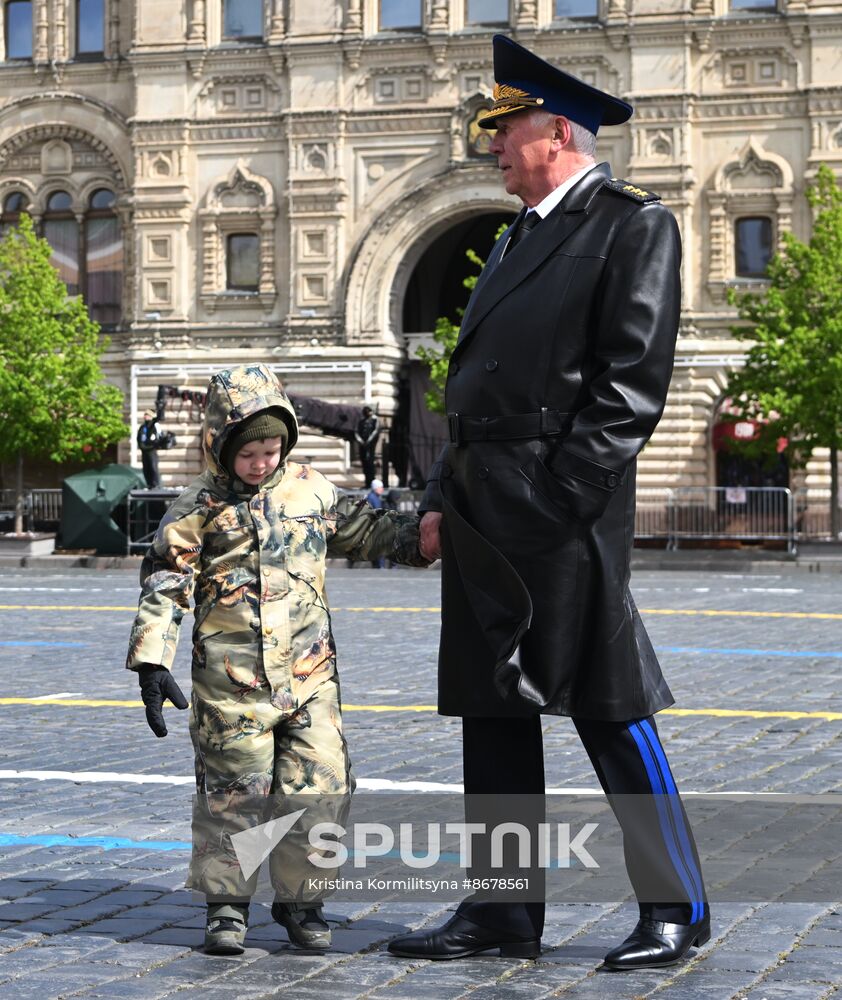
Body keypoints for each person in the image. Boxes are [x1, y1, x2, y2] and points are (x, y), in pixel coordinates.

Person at [387, 34, 709, 971]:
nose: (491, 148)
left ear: (558, 131)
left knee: (610, 706)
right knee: (492, 717)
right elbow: (472, 388)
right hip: (486, 502)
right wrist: (444, 494)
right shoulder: (515, 235)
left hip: (560, 510)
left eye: (504, 131)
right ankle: (501, 913)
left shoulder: (629, 224)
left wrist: (563, 495)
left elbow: (630, 385)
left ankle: (675, 906)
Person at [125, 364, 427, 956]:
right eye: (250, 453)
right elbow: (166, 579)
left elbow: (368, 530)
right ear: (221, 445)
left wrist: (424, 537)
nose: (262, 462)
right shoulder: (199, 506)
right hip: (231, 686)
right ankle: (228, 908)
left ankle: (302, 901)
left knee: (319, 786)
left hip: (311, 678)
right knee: (235, 795)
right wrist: (151, 660)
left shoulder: (311, 490)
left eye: (272, 449)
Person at [355, 405, 380, 488]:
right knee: (365, 463)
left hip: (370, 446)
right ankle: (367, 482)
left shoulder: (375, 420)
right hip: (363, 445)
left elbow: (375, 431)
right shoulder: (361, 421)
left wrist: (369, 440)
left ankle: (372, 482)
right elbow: (356, 432)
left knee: (370, 463)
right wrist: (361, 441)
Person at [136, 410, 161, 488]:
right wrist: (141, 445)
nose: (145, 416)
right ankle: (149, 484)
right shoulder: (143, 427)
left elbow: (157, 438)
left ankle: (155, 484)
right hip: (144, 451)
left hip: (151, 450)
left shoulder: (154, 425)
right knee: (146, 468)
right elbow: (139, 438)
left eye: (147, 415)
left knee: (153, 467)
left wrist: (159, 409)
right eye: (145, 415)